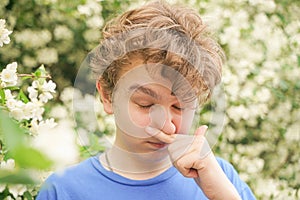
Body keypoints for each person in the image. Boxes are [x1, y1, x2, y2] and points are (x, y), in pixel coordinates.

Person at [37, 1, 256, 199]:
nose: (165, 124)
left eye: (180, 106)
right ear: (106, 95)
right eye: (145, 104)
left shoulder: (220, 179)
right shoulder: (63, 191)